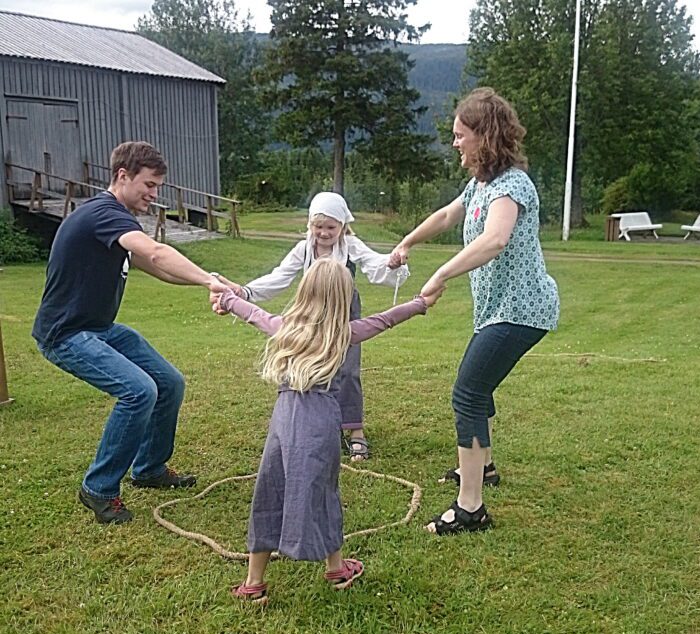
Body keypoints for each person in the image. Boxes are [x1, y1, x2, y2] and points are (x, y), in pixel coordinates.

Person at [211, 258, 439, 604]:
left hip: (283, 420)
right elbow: (385, 320)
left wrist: (227, 298)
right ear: (343, 298)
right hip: (319, 422)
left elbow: (252, 313)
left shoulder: (285, 327)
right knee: (321, 493)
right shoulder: (344, 334)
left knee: (271, 487)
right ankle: (336, 568)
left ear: (305, 291)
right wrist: (421, 303)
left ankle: (254, 582)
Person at [388, 87, 560, 535]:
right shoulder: (480, 183)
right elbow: (448, 216)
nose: (455, 143)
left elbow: (496, 238)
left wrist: (442, 274)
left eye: (461, 135)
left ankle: (471, 509)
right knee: (477, 391)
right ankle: (481, 469)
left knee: (467, 393)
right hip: (499, 310)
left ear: (486, 137)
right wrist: (408, 241)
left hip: (521, 311)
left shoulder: (513, 185)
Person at [32, 141, 230, 525]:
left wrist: (211, 283)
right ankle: (99, 489)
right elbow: (155, 253)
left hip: (98, 329)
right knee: (139, 391)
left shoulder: (116, 218)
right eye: (150, 185)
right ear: (123, 176)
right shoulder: (104, 213)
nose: (155, 195)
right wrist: (209, 278)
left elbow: (156, 267)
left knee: (169, 382)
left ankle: (149, 469)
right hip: (65, 333)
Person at [212, 191, 408, 462]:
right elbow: (280, 276)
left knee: (347, 368)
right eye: (318, 227)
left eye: (330, 227)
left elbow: (375, 263)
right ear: (309, 226)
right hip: (309, 310)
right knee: (305, 366)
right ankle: (313, 422)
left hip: (343, 311)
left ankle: (354, 430)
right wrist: (245, 293)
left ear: (342, 226)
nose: (324, 233)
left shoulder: (350, 245)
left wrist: (391, 263)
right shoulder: (304, 248)